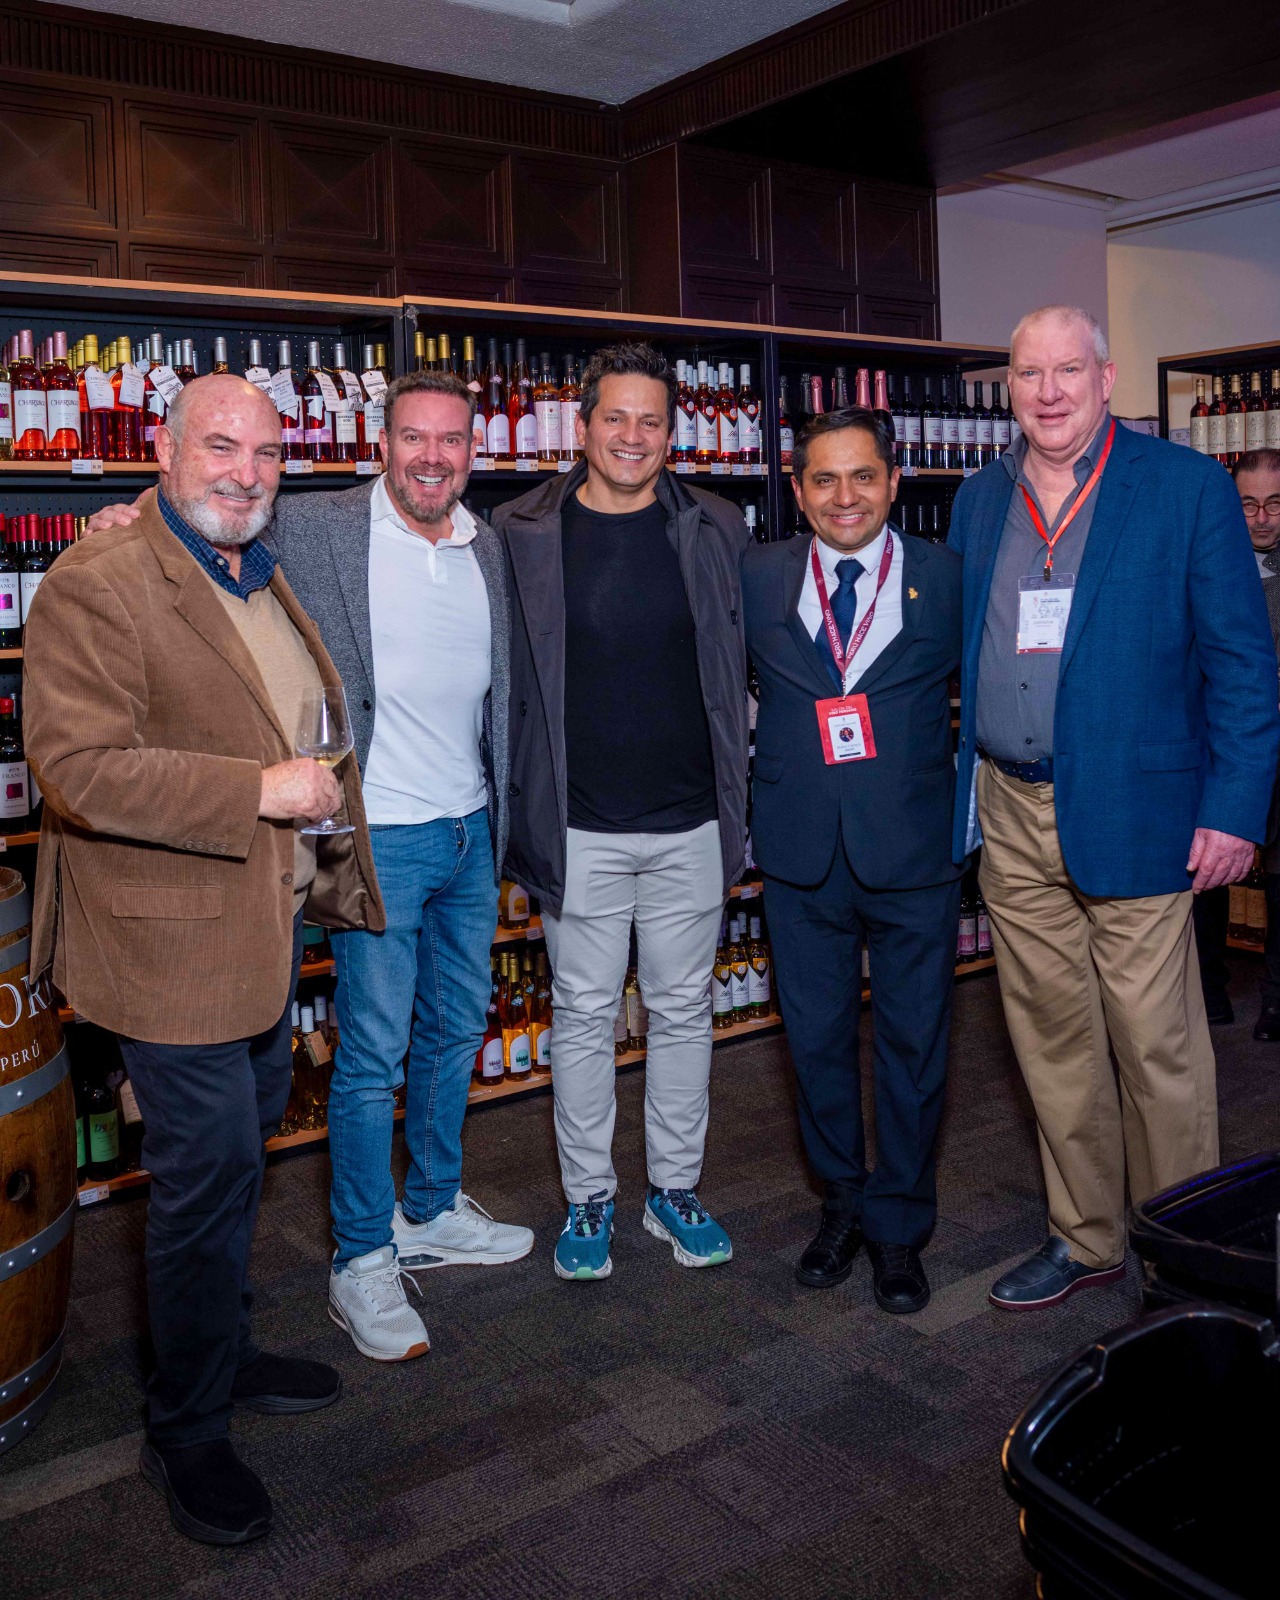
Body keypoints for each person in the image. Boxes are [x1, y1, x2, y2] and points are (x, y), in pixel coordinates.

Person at [88, 368, 531, 1363]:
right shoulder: (318, 524)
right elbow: (199, 525)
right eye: (412, 436)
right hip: (378, 838)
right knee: (372, 1054)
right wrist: (121, 520)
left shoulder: (486, 542)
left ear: (474, 451)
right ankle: (362, 1255)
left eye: (451, 439)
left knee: (456, 1029)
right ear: (381, 445)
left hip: (470, 829)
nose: (431, 457)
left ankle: (431, 1207)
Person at [24, 374, 384, 1545]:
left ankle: (221, 1352)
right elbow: (76, 768)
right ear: (165, 453)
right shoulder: (99, 578)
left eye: (267, 453)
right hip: (167, 943)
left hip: (260, 932)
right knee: (204, 1178)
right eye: (220, 447)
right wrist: (260, 789)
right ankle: (184, 1428)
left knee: (240, 1158)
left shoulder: (251, 567)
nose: (246, 471)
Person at [949, 305, 1280, 1312]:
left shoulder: (1182, 487)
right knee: (1049, 1040)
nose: (1047, 392)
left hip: (1141, 808)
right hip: (1009, 809)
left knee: (1156, 1047)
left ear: (1105, 379)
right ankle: (1084, 1234)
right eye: (1027, 374)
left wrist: (1234, 809)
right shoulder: (979, 497)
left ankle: (1186, 1255)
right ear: (1008, 388)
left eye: (1067, 371)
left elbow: (1242, 662)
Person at [492, 342, 749, 1281]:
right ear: (583, 423)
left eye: (651, 421)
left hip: (692, 824)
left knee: (683, 1014)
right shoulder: (520, 529)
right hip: (580, 829)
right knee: (584, 1016)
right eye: (616, 417)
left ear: (671, 433)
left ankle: (674, 1189)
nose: (632, 436)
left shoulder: (717, 525)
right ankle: (590, 1197)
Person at [742, 408, 962, 1313]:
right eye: (824, 479)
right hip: (800, 848)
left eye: (863, 475)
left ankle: (899, 1224)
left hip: (912, 846)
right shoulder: (757, 573)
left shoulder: (946, 576)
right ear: (797, 491)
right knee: (817, 1041)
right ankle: (842, 1200)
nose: (845, 497)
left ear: (894, 481)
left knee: (915, 1043)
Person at [1234, 448, 1280, 1040]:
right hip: (1225, 744)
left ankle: (1275, 1000)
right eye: (1248, 504)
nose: (1262, 517)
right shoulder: (1210, 561)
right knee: (1206, 868)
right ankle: (1207, 987)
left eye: (1274, 503)